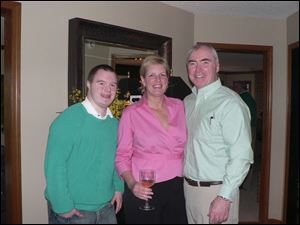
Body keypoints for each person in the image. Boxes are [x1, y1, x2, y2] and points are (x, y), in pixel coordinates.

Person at [183, 43, 253, 224]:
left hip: (216, 191)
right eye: (192, 63)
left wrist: (224, 197)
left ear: (217, 66)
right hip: (189, 189)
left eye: (205, 62)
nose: (198, 69)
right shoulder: (188, 101)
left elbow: (241, 156)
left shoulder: (230, 104)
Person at [44, 64, 124, 224]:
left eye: (112, 85)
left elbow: (115, 159)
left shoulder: (114, 124)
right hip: (75, 211)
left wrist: (118, 188)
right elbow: (54, 166)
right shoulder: (67, 120)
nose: (107, 89)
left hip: (106, 208)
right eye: (101, 83)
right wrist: (63, 205)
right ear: (88, 84)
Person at [115, 55, 188, 224]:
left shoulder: (179, 106)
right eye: (151, 75)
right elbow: (122, 156)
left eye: (162, 75)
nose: (158, 80)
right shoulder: (131, 113)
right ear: (142, 80)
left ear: (168, 79)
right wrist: (132, 185)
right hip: (145, 188)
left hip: (177, 185)